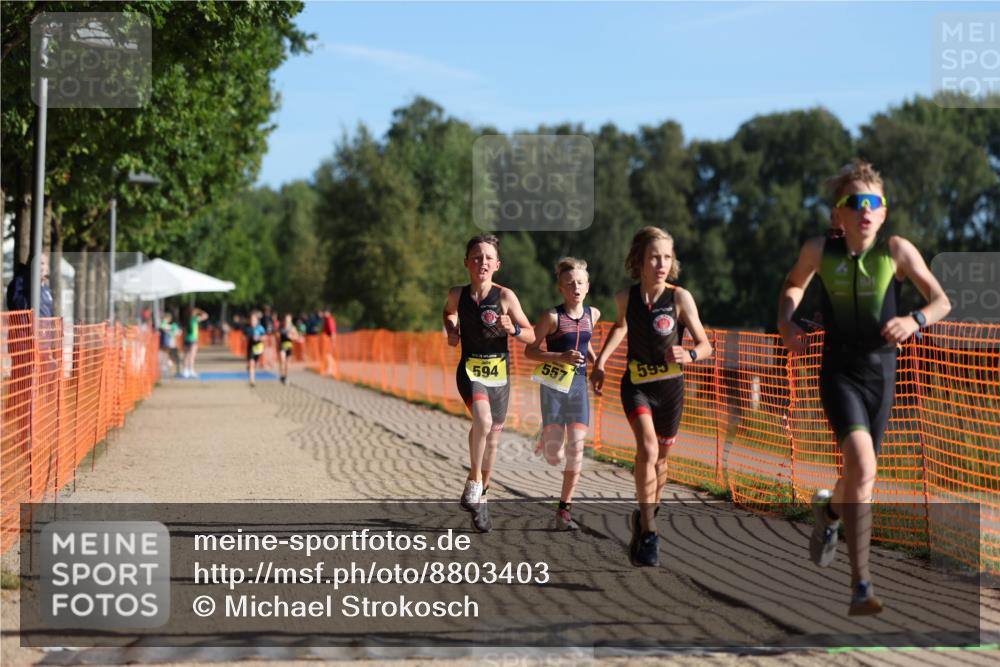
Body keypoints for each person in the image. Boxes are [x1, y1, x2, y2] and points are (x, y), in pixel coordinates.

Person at [777, 159, 951, 615]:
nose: (865, 210)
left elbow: (941, 301)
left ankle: (829, 513)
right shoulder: (819, 250)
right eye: (855, 202)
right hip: (839, 371)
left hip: (882, 373)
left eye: (873, 202)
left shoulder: (896, 251)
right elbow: (793, 285)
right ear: (839, 214)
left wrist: (914, 320)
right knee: (863, 465)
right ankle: (861, 583)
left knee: (861, 476)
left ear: (884, 212)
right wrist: (786, 321)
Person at [591, 227, 712, 567]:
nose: (661, 264)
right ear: (639, 262)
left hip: (671, 389)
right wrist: (600, 362)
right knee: (647, 448)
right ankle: (649, 529)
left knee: (661, 460)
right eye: (654, 257)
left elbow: (705, 344)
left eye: (667, 258)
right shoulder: (625, 298)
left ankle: (645, 514)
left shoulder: (679, 298)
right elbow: (621, 326)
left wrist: (691, 355)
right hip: (637, 385)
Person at [443, 233, 535, 533]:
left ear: (497, 264)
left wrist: (514, 328)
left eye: (488, 258)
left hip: (499, 375)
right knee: (482, 421)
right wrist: (452, 329)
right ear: (467, 262)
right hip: (470, 370)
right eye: (477, 256)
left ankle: (481, 498)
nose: (482, 262)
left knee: (492, 438)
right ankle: (474, 479)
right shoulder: (458, 294)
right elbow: (449, 312)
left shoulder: (505, 297)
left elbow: (531, 334)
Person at [524, 258, 600, 531]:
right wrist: (560, 356)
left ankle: (564, 510)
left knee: (577, 448)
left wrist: (597, 365)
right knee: (555, 455)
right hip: (554, 388)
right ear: (561, 288)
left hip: (578, 387)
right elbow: (529, 351)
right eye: (569, 284)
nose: (575, 287)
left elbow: (586, 342)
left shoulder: (594, 314)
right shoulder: (552, 317)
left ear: (587, 286)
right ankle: (546, 437)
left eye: (580, 283)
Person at [180, 304, 209, 378]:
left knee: (186, 355)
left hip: (187, 339)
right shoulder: (195, 319)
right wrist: (199, 310)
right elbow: (206, 315)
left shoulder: (186, 319)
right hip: (193, 339)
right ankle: (190, 370)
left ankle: (185, 370)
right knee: (192, 355)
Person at [278, 313, 301, 385]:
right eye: (285, 320)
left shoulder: (292, 328)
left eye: (288, 320)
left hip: (289, 347)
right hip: (282, 346)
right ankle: (282, 375)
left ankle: (285, 377)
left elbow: (297, 337)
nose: (286, 321)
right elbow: (277, 336)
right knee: (282, 360)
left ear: (290, 320)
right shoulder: (281, 327)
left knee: (287, 363)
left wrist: (291, 337)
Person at [245, 311, 266, 388]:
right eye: (251, 320)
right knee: (251, 363)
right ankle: (252, 380)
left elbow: (265, 337)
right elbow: (244, 337)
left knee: (255, 364)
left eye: (254, 320)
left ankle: (251, 369)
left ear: (257, 320)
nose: (252, 321)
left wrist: (259, 338)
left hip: (258, 348)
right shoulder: (248, 328)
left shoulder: (260, 328)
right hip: (250, 348)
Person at [159, 311, 181, 377]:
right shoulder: (164, 324)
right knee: (166, 356)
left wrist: (173, 329)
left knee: (170, 357)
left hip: (170, 344)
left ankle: (169, 368)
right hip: (166, 344)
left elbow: (178, 332)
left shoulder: (171, 325)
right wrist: (172, 328)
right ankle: (166, 368)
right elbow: (163, 326)